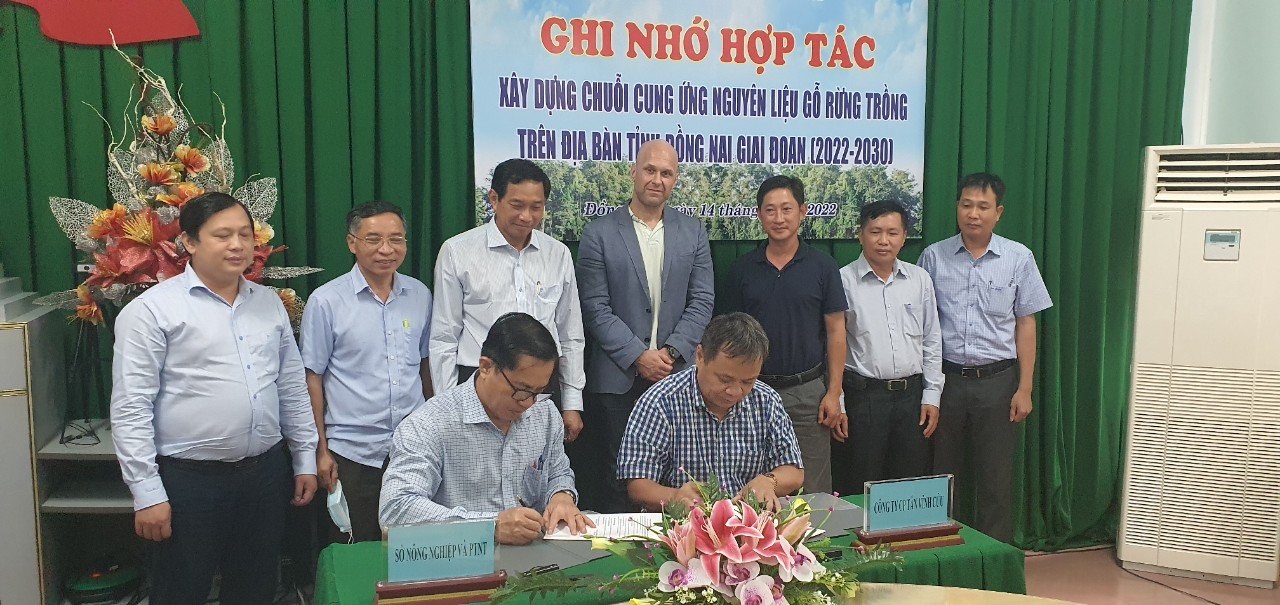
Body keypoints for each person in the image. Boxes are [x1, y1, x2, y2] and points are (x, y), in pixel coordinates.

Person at [111, 192, 319, 604]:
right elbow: (131, 407)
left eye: (245, 234)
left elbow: (291, 387)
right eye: (222, 235)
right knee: (180, 591)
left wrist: (304, 458)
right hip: (188, 483)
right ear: (189, 242)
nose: (237, 245)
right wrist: (146, 492)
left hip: (264, 477)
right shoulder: (152, 311)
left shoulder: (269, 304)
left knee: (255, 589)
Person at [575, 139, 714, 512]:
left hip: (676, 375)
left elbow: (702, 301)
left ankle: (676, 547)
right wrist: (638, 355)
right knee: (619, 478)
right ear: (633, 172)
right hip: (617, 380)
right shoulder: (599, 233)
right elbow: (594, 306)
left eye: (666, 173)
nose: (657, 179)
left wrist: (670, 353)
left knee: (676, 475)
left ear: (675, 180)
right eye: (650, 170)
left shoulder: (693, 231)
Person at [918, 172, 1053, 543]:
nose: (973, 214)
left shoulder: (1018, 258)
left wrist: (1024, 388)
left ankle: (994, 556)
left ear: (999, 212)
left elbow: (1026, 323)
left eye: (982, 206)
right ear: (957, 207)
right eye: (966, 205)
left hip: (997, 383)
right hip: (946, 382)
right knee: (943, 475)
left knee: (996, 478)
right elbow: (923, 325)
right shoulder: (933, 257)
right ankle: (944, 551)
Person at [379, 312, 593, 544]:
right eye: (521, 391)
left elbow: (558, 472)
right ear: (486, 367)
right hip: (462, 557)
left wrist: (562, 496)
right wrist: (489, 528)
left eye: (538, 392)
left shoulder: (544, 412)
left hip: (537, 555)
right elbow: (396, 510)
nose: (529, 404)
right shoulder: (429, 424)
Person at [300, 201, 432, 542]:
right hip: (352, 452)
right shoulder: (326, 301)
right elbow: (312, 378)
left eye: (396, 239)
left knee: (412, 548)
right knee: (355, 549)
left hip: (412, 449)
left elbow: (425, 366)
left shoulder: (419, 294)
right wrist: (320, 450)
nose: (386, 249)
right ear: (352, 243)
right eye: (373, 239)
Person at [430, 158, 586, 444]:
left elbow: (571, 335)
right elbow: (443, 337)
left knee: (541, 468)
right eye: (517, 205)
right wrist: (448, 405)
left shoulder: (558, 254)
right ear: (494, 199)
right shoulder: (457, 251)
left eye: (536, 207)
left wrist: (572, 402)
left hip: (542, 387)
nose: (526, 216)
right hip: (480, 382)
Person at [725, 175, 847, 495]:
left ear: (802, 212)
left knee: (813, 489)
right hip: (752, 393)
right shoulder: (742, 269)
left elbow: (836, 331)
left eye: (787, 209)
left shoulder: (823, 266)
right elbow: (728, 334)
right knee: (753, 485)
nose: (779, 218)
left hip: (808, 394)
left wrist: (834, 393)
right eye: (770, 210)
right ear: (759, 215)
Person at [616, 313, 804, 512]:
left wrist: (769, 481)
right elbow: (638, 487)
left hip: (749, 520)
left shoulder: (766, 400)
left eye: (747, 381)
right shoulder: (660, 401)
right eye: (724, 379)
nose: (735, 391)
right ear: (700, 356)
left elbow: (794, 470)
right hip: (683, 521)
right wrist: (675, 497)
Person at [837, 200, 943, 491]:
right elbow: (833, 346)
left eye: (892, 232)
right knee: (862, 482)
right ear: (860, 234)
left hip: (912, 399)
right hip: (863, 398)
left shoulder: (919, 279)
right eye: (875, 232)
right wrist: (839, 403)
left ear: (904, 237)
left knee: (909, 485)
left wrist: (932, 395)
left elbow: (932, 339)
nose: (884, 240)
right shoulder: (843, 281)